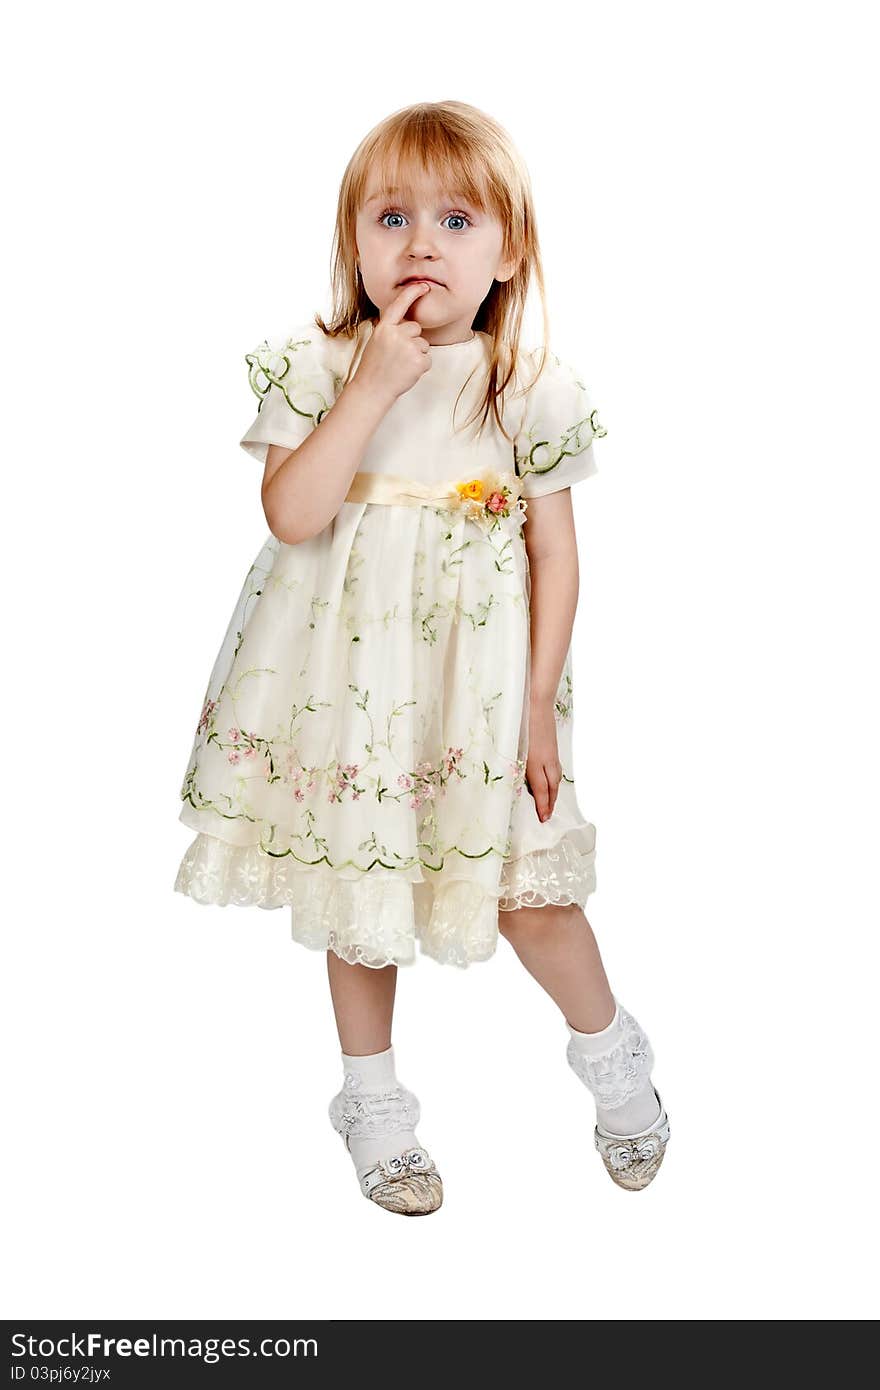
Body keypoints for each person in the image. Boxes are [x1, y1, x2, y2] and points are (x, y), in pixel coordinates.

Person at [174, 100, 670, 1215]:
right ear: (353, 239)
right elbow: (293, 516)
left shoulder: (526, 382)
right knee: (363, 884)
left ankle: (612, 1056)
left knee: (530, 895)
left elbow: (557, 554)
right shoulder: (322, 364)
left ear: (507, 251)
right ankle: (372, 1101)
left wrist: (539, 705)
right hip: (350, 688)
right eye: (391, 216)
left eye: (454, 219)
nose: (420, 245)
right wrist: (373, 387)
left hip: (483, 685)